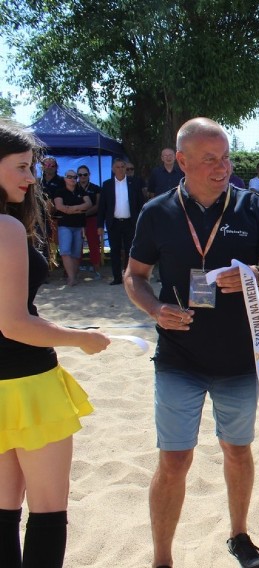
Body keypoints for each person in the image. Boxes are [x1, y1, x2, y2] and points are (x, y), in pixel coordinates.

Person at [124, 117, 259, 568]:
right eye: (210, 159)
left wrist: (254, 276)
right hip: (178, 358)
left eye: (226, 157)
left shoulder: (251, 207)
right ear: (182, 162)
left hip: (238, 358)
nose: (223, 167)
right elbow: (134, 278)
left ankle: (239, 535)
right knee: (174, 462)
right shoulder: (157, 212)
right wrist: (156, 309)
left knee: (237, 451)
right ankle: (162, 559)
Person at [0, 118, 110, 568]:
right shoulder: (6, 228)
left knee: (4, 513)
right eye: (23, 167)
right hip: (27, 384)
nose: (32, 177)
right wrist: (79, 339)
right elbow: (14, 324)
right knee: (47, 513)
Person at [98, 159, 147, 285]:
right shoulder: (107, 184)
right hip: (114, 223)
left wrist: (141, 221)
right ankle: (117, 277)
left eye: (122, 167)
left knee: (130, 249)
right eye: (117, 167)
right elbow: (102, 206)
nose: (120, 169)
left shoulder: (134, 183)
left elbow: (141, 203)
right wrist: (99, 225)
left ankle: (128, 275)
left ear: (126, 168)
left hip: (130, 222)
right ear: (113, 169)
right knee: (114, 250)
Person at [53, 170, 91, 286]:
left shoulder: (81, 190)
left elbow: (88, 204)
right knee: (65, 251)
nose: (72, 179)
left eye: (75, 177)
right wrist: (79, 209)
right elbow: (59, 206)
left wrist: (71, 209)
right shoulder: (59, 191)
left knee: (75, 253)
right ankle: (71, 277)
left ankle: (73, 276)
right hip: (65, 225)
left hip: (79, 226)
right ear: (65, 178)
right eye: (69, 176)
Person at [77, 165, 102, 272]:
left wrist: (85, 213)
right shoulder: (73, 187)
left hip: (92, 219)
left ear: (89, 175)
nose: (82, 176)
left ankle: (96, 269)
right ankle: (74, 269)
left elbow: (98, 205)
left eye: (85, 174)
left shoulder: (96, 188)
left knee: (94, 243)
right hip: (76, 220)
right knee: (76, 245)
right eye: (80, 175)